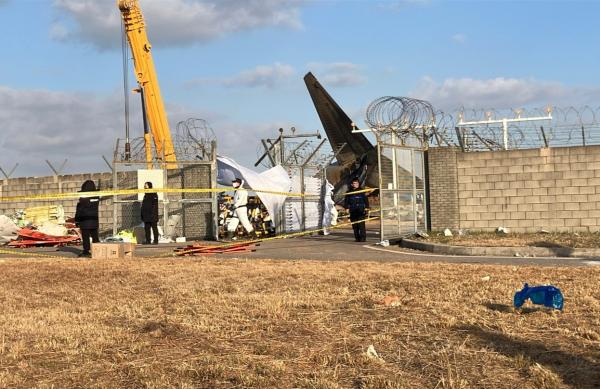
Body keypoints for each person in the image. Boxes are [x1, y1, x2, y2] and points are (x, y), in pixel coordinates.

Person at [75, 179, 100, 257]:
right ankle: (99, 251)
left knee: (86, 238)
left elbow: (80, 210)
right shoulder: (96, 197)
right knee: (95, 237)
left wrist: (77, 220)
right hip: (94, 220)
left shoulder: (83, 198)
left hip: (85, 221)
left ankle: (86, 251)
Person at [344, 177, 369, 242]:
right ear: (352, 184)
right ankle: (357, 238)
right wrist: (346, 208)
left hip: (360, 210)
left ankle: (363, 238)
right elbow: (346, 201)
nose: (356, 184)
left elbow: (366, 200)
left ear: (358, 184)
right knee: (355, 225)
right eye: (354, 183)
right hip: (353, 210)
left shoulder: (362, 191)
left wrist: (366, 208)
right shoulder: (349, 192)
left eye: (357, 183)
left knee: (361, 225)